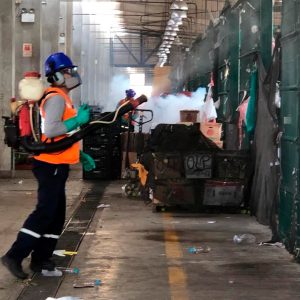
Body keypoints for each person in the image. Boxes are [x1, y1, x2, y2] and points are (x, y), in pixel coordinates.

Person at [1, 52, 95, 279]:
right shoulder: (56, 98)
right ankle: (14, 255)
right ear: (56, 77)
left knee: (55, 215)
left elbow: (61, 136)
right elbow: (51, 130)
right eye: (67, 71)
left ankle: (42, 261)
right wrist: (77, 121)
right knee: (45, 213)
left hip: (57, 162)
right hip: (49, 164)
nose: (72, 74)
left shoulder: (61, 97)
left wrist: (79, 155)